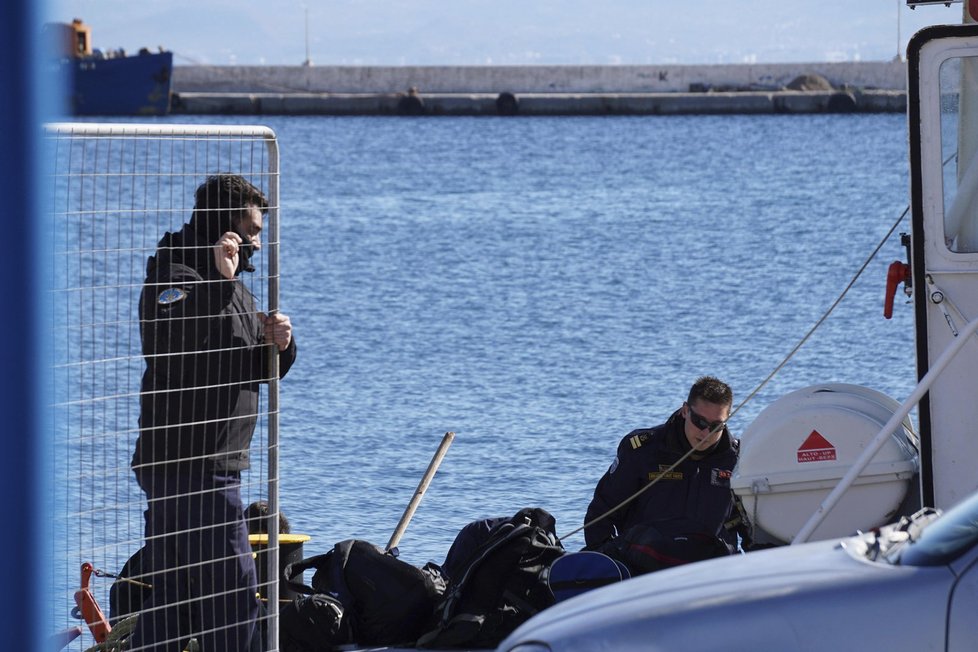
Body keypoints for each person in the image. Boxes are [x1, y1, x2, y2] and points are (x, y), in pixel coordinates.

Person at [131, 174, 298, 651]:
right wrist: (218, 285)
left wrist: (282, 346)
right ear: (224, 228)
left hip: (211, 465)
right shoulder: (175, 274)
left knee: (174, 600)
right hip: (191, 466)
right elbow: (167, 345)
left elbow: (255, 369)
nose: (258, 244)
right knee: (234, 597)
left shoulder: (233, 288)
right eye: (252, 230)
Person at [583, 376, 749, 571]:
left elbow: (751, 524)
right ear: (685, 410)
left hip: (712, 572)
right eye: (699, 422)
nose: (706, 434)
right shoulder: (643, 450)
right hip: (645, 568)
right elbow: (602, 513)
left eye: (716, 427)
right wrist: (608, 566)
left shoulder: (739, 459)